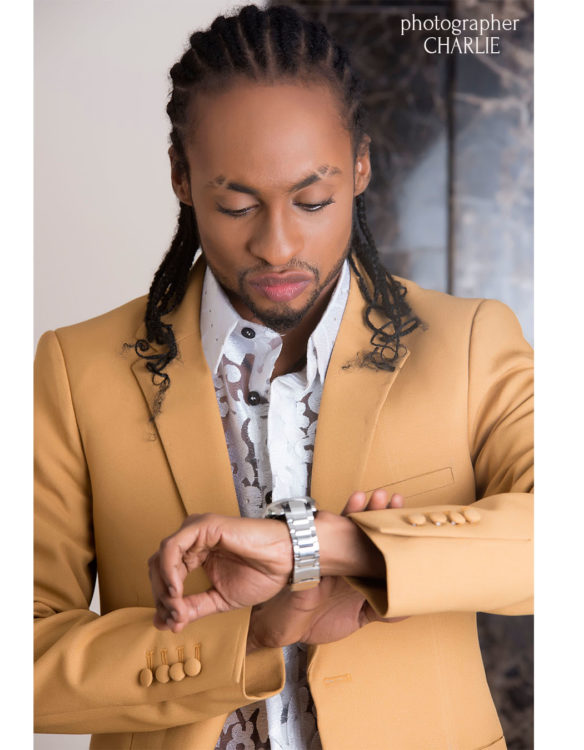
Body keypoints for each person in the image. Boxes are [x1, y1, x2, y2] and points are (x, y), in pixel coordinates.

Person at [34, 5, 533, 749]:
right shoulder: (77, 369)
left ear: (360, 166)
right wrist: (249, 639)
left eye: (312, 200)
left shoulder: (468, 342)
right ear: (181, 177)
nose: (277, 245)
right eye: (236, 204)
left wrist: (335, 547)